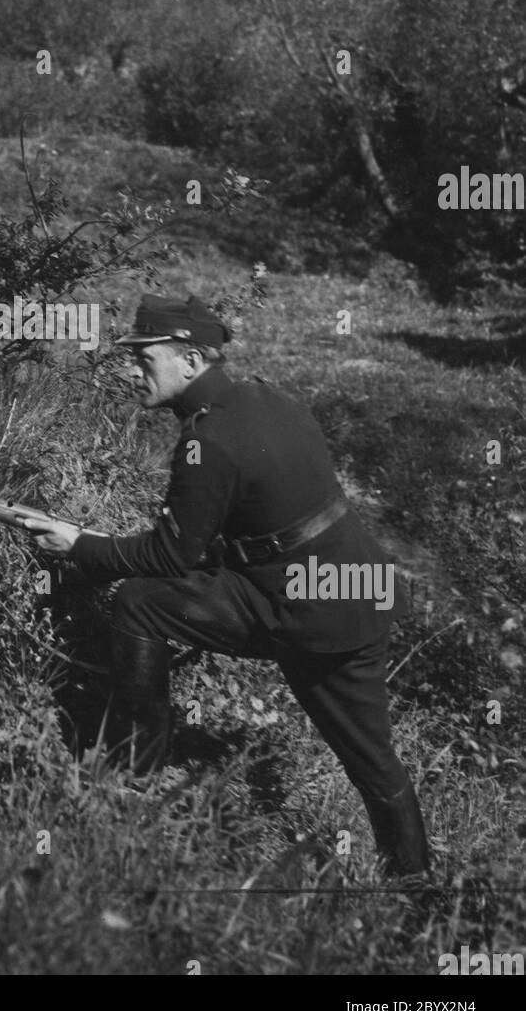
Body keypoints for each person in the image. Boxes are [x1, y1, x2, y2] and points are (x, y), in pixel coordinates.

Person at [22, 292, 430, 879]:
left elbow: (168, 554)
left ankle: (134, 773)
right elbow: (263, 514)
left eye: (145, 358)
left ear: (190, 361)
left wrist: (78, 546)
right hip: (360, 586)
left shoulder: (205, 441)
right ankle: (414, 884)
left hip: (302, 607)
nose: (133, 370)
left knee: (139, 605)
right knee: (374, 759)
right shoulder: (270, 397)